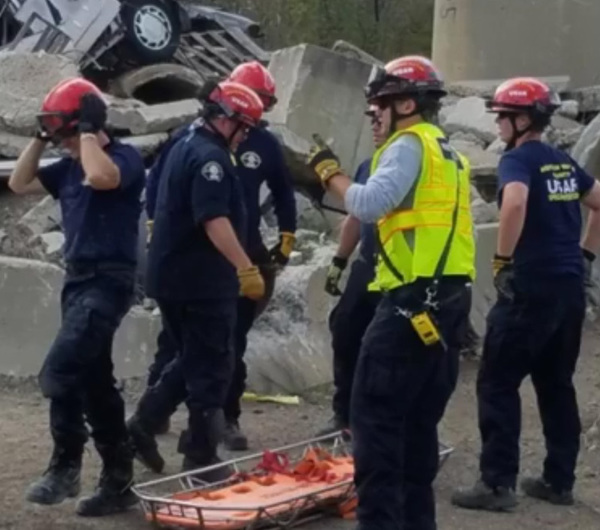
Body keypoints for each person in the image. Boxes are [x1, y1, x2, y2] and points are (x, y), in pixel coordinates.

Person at [306, 55, 475, 530]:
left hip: (408, 308)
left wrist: (330, 174)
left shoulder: (407, 146)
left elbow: (369, 202)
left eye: (378, 105)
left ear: (406, 103)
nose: (373, 116)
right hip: (447, 304)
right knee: (418, 428)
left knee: (375, 425)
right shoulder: (448, 153)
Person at [451, 77, 600, 511]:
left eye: (501, 117)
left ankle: (497, 484)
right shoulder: (560, 161)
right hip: (569, 287)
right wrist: (586, 255)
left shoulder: (517, 161)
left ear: (521, 120)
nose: (497, 124)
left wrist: (501, 260)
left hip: (530, 286)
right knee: (556, 384)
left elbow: (514, 203)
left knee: (497, 382)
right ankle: (559, 479)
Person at [143, 61, 297, 451]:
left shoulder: (226, 143)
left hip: (204, 264)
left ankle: (180, 430)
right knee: (202, 355)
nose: (251, 130)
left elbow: (282, 191)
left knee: (214, 352)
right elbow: (211, 217)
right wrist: (245, 268)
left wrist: (285, 236)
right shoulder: (203, 152)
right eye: (247, 119)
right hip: (204, 267)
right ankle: (170, 433)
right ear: (227, 113)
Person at [9, 77, 145, 516]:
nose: (63, 142)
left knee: (61, 370)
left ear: (87, 125)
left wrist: (86, 131)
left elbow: (102, 177)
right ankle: (119, 478)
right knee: (93, 380)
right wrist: (40, 136)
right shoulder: (67, 165)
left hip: (109, 280)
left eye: (67, 132)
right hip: (77, 280)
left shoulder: (123, 158)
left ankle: (65, 466)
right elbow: (18, 181)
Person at [126, 80, 266, 479]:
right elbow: (213, 219)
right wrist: (245, 267)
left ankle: (143, 424)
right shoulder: (212, 159)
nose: (246, 136)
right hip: (200, 280)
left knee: (190, 357)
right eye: (246, 127)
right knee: (212, 364)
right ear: (228, 121)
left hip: (172, 275)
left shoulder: (183, 141)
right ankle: (201, 456)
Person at [316, 105, 386, 436]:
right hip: (368, 266)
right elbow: (357, 215)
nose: (374, 125)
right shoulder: (368, 165)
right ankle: (343, 415)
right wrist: (339, 261)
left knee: (387, 346)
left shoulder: (411, 163)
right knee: (345, 329)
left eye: (379, 119)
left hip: (402, 272)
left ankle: (383, 421)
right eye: (370, 119)